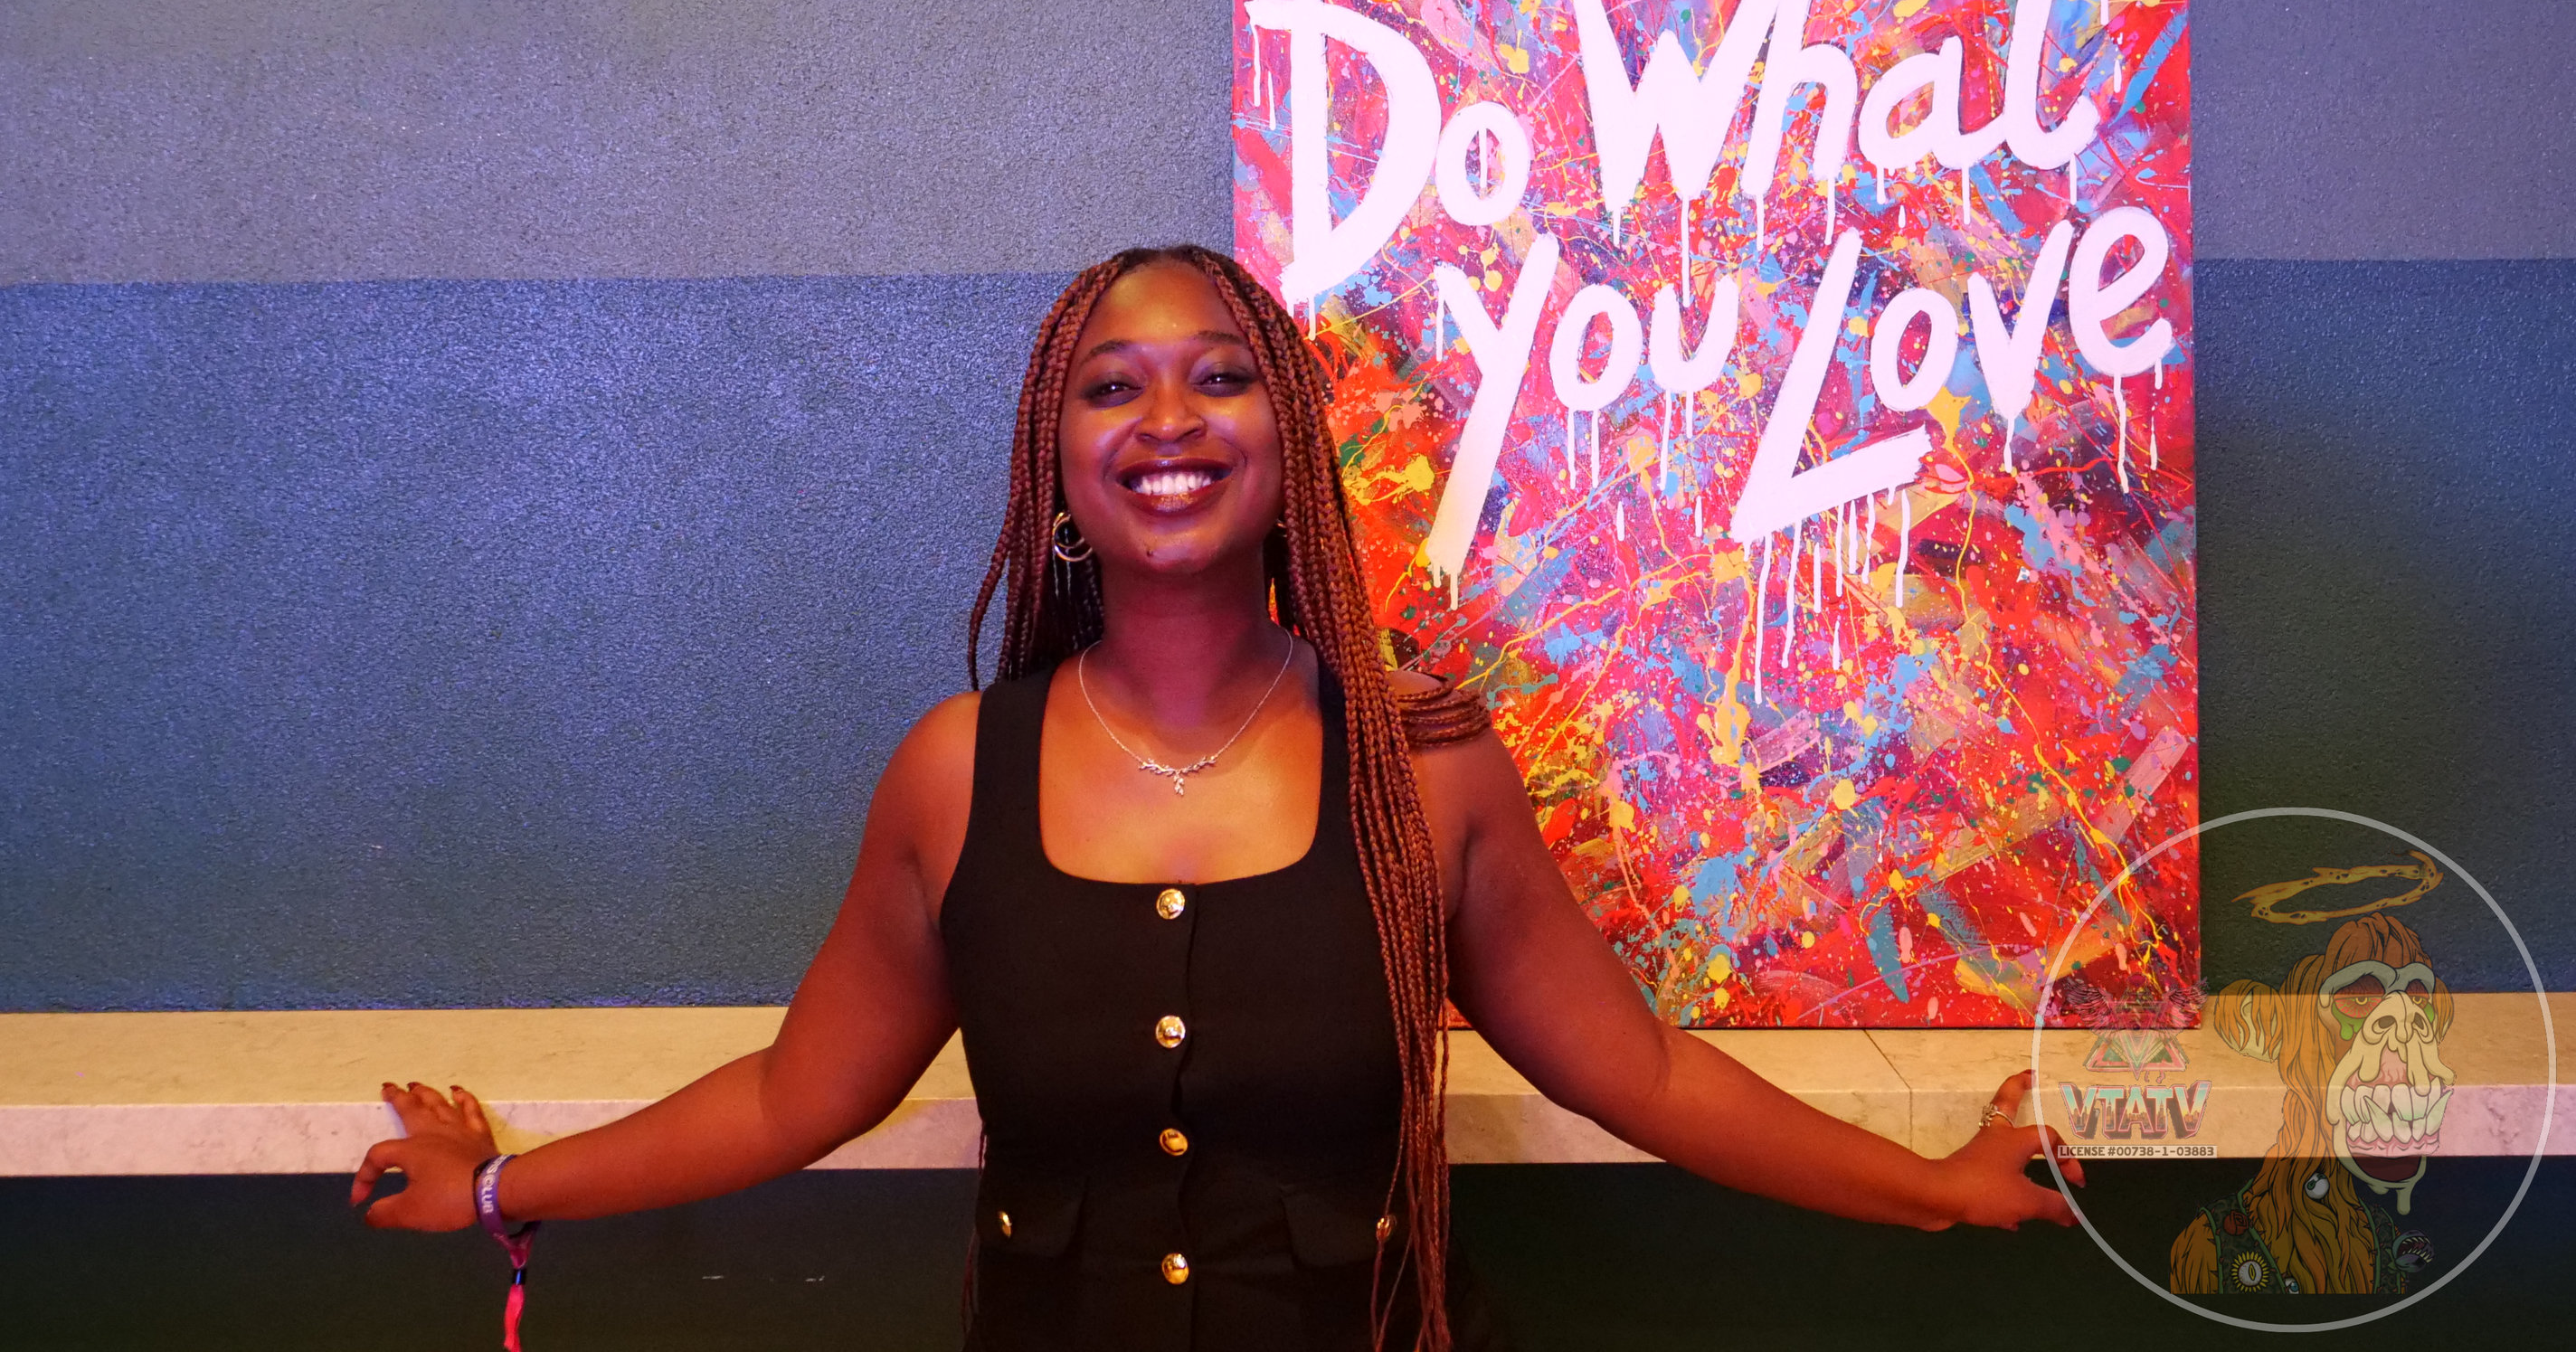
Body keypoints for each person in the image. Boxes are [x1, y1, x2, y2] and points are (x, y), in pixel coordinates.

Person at [353, 245, 2081, 1351]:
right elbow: (792, 1095)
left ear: (1288, 445)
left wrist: (1939, 1182)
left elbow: (1644, 1072)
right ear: (1058, 469)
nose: (1166, 416)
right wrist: (497, 1190)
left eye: (1221, 374)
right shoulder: (954, 774)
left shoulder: (1427, 770)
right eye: (1111, 386)